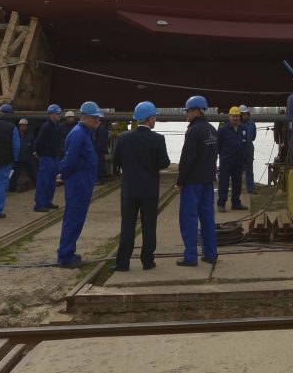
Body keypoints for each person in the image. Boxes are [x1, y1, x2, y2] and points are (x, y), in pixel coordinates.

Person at [113, 101, 170, 272]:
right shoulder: (158, 139)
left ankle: (122, 263)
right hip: (149, 191)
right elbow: (164, 163)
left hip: (129, 191)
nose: (155, 120)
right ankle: (147, 261)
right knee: (149, 227)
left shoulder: (123, 138)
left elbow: (116, 162)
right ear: (149, 118)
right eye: (154, 117)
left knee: (127, 227)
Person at [57, 102, 102, 268]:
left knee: (76, 218)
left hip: (83, 180)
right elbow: (70, 159)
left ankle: (67, 251)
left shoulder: (85, 132)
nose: (97, 120)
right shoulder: (79, 134)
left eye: (98, 118)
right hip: (78, 181)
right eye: (94, 118)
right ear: (84, 117)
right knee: (73, 218)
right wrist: (65, 174)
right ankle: (66, 256)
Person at [176, 95, 219, 267]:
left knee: (188, 218)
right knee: (208, 217)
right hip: (208, 181)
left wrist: (180, 181)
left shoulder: (193, 131)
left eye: (188, 111)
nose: (186, 114)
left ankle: (190, 257)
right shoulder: (212, 130)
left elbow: (187, 159)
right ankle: (210, 254)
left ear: (195, 110)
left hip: (193, 182)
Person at [217, 106, 248, 212]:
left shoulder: (243, 129)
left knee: (237, 184)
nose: (235, 118)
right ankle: (221, 204)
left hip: (239, 161)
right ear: (230, 117)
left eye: (237, 116)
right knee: (223, 183)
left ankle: (236, 203)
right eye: (233, 116)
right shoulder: (223, 130)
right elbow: (218, 145)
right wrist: (222, 156)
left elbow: (245, 143)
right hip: (226, 161)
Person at [33, 104, 63, 211]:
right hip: (46, 157)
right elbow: (38, 142)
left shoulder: (56, 126)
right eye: (57, 113)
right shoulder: (46, 127)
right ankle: (39, 204)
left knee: (51, 181)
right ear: (51, 114)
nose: (59, 115)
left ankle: (47, 201)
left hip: (54, 157)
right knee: (43, 181)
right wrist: (38, 152)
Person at [10, 118, 36, 192]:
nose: (23, 127)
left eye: (25, 126)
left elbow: (33, 146)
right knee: (14, 174)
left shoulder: (30, 136)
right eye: (22, 125)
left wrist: (34, 152)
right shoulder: (15, 135)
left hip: (28, 157)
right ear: (19, 126)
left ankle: (37, 185)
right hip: (17, 158)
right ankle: (11, 189)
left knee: (33, 172)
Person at [239, 105, 258, 194]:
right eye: (243, 114)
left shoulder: (252, 123)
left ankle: (250, 187)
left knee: (249, 168)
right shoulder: (237, 123)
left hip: (249, 147)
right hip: (239, 148)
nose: (245, 116)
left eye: (246, 114)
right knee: (238, 168)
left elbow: (254, 136)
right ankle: (237, 187)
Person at [94, 115, 112, 182]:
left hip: (99, 150)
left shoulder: (101, 128)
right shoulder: (101, 127)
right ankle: (100, 178)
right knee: (100, 163)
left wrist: (96, 149)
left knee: (99, 164)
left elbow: (101, 140)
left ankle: (100, 179)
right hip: (99, 149)